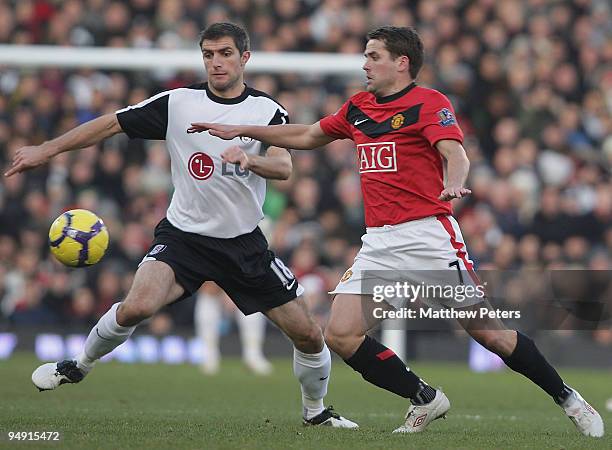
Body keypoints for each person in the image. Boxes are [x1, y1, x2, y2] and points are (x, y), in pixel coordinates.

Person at [187, 26, 604, 437]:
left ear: (401, 63)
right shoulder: (358, 107)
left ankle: (567, 397)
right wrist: (243, 129)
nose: (364, 64)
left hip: (428, 236)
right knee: (341, 335)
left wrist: (454, 180)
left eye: (373, 56)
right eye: (365, 56)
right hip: (379, 242)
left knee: (490, 334)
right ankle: (424, 397)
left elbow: (454, 152)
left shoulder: (429, 102)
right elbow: (308, 134)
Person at [6, 22, 357, 428]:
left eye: (225, 53)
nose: (216, 62)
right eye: (208, 54)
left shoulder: (267, 110)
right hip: (184, 238)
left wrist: (250, 159)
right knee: (136, 306)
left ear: (245, 58)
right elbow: (109, 124)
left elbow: (283, 166)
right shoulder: (178, 102)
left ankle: (315, 413)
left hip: (244, 243)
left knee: (310, 335)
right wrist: (46, 150)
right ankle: (79, 364)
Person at [195, 282, 272, 375]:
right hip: (215, 284)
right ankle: (209, 356)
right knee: (208, 293)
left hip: (242, 283)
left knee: (251, 298)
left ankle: (253, 356)